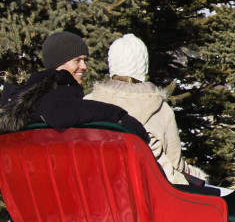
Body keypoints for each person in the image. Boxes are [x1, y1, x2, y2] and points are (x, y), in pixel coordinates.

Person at [87, 34, 210, 189]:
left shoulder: (88, 104)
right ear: (143, 67)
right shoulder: (160, 110)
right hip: (150, 194)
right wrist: (199, 176)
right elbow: (175, 165)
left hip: (100, 190)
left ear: (112, 64)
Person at [0, 31, 151, 144]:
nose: (84, 67)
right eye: (77, 61)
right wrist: (119, 116)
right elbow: (59, 111)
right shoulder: (56, 91)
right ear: (59, 62)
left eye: (84, 60)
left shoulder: (27, 93)